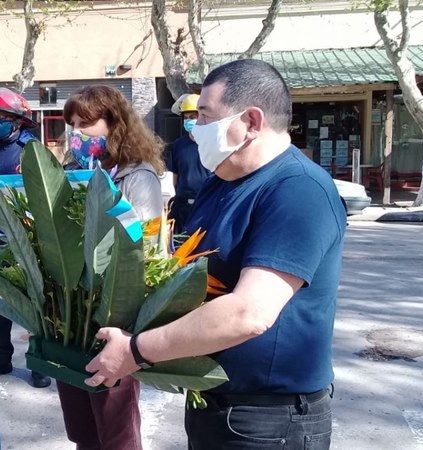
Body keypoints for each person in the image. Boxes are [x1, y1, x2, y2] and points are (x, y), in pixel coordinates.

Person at [84, 59, 346, 449]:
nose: (195, 130)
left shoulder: (298, 191)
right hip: (214, 404)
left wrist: (135, 351)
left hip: (269, 421)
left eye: (205, 117)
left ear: (252, 122)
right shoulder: (221, 181)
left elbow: (249, 314)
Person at [58, 85, 164, 450]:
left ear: (113, 123)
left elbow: (144, 247)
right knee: (82, 429)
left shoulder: (137, 176)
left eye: (86, 123)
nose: (77, 133)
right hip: (72, 316)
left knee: (115, 429)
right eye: (72, 124)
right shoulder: (70, 171)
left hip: (112, 315)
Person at [0, 87, 52, 389]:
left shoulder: (32, 150)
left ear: (19, 121)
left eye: (4, 117)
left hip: (28, 235)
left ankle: (38, 362)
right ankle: (2, 357)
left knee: (35, 303)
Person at [165, 93, 210, 234]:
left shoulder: (212, 143)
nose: (188, 121)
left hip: (206, 203)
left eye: (193, 117)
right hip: (182, 205)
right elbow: (173, 176)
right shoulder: (178, 145)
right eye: (186, 117)